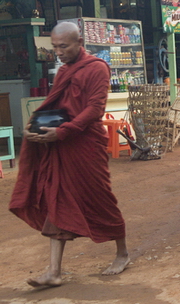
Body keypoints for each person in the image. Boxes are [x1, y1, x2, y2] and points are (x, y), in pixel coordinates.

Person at [9, 22, 130, 288]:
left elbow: (94, 109)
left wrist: (63, 131)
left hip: (86, 144)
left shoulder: (97, 68)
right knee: (57, 199)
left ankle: (122, 252)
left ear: (79, 42)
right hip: (62, 145)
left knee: (100, 197)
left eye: (63, 46)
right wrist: (37, 124)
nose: (59, 52)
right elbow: (56, 104)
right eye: (55, 47)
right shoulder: (64, 70)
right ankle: (54, 272)